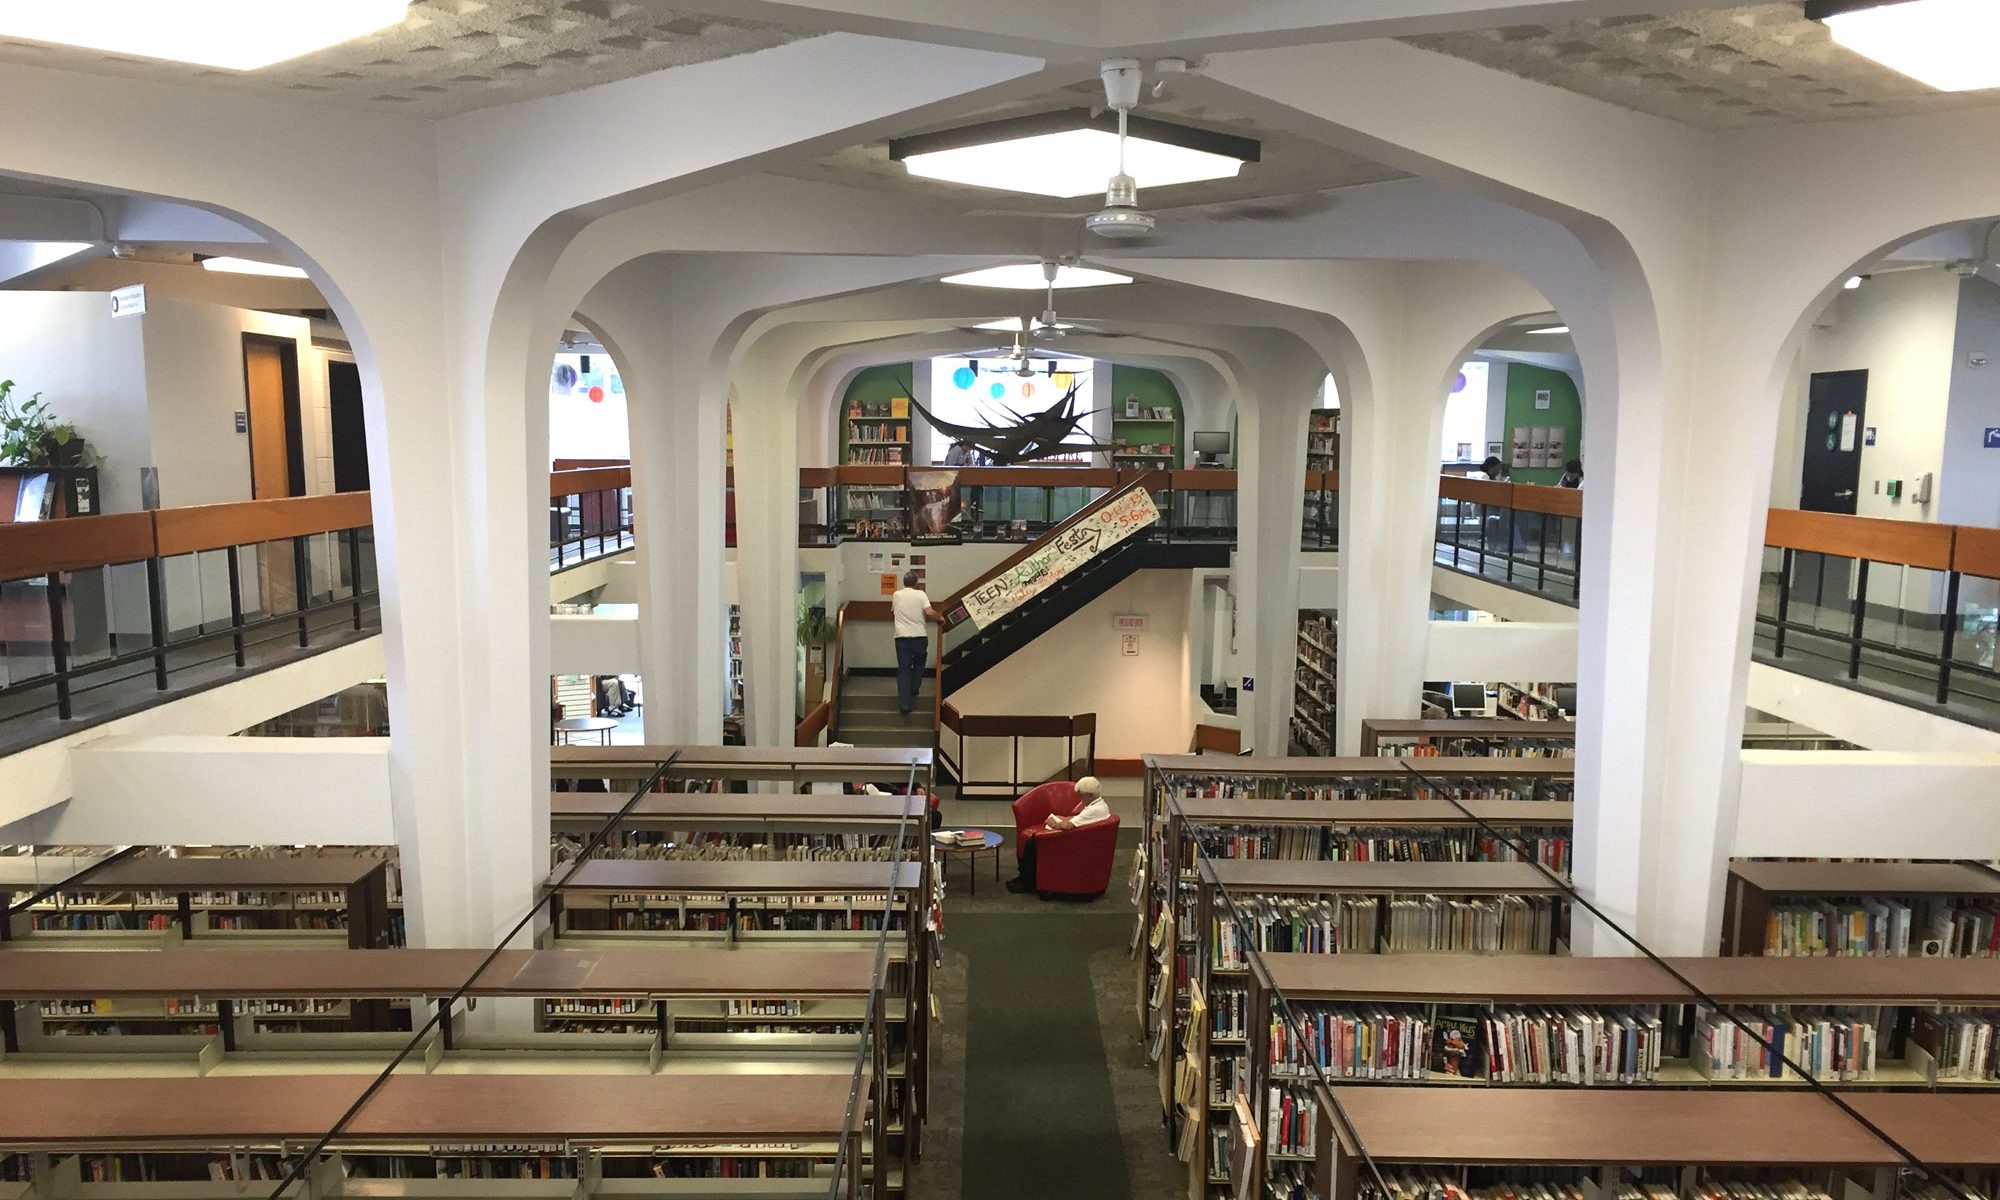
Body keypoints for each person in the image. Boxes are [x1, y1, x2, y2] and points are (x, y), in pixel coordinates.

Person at [1005, 776, 1110, 894]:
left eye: (1081, 795)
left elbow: (1067, 826)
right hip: (1084, 841)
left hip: (1073, 843)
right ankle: (1026, 878)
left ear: (1089, 795)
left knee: (1033, 844)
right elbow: (1079, 819)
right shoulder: (1100, 805)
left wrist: (1053, 823)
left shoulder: (1092, 811)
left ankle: (1026, 881)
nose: (1079, 798)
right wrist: (1063, 818)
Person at [890, 570, 939, 715]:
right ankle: (914, 688)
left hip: (901, 637)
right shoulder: (921, 594)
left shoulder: (896, 595)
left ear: (904, 582)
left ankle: (904, 704)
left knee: (904, 670)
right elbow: (929, 612)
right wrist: (940, 618)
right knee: (919, 662)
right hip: (919, 636)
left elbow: (893, 611)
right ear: (916, 583)